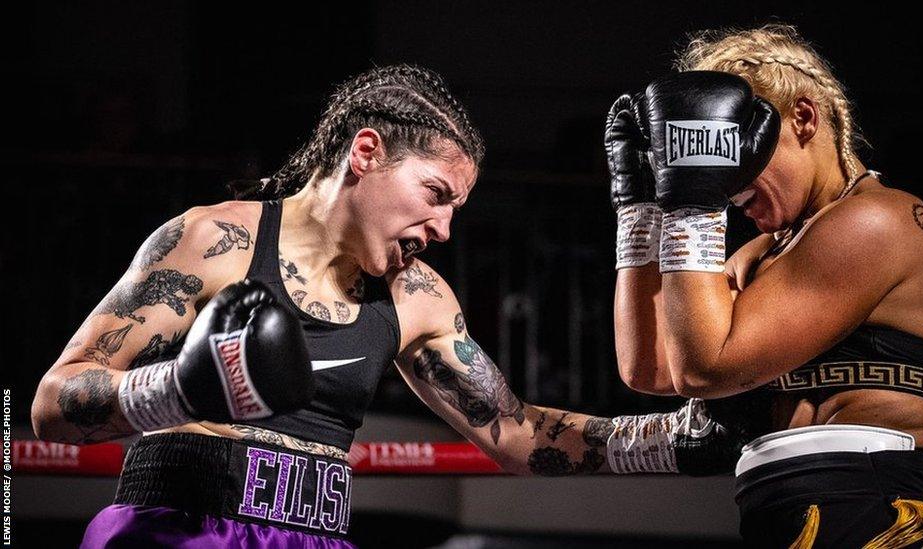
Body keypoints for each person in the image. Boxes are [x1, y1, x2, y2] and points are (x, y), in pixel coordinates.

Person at [32, 64, 730, 548]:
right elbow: (53, 403)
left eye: (457, 209)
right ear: (366, 152)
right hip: (177, 527)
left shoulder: (415, 297)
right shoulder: (215, 240)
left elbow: (517, 434)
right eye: (436, 194)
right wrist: (180, 388)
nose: (445, 230)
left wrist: (670, 436)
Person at [608, 24, 923, 547]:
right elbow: (654, 367)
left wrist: (695, 200)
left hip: (875, 510)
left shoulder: (877, 220)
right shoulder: (763, 250)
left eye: (736, 146)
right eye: (715, 150)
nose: (728, 175)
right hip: (782, 509)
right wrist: (640, 211)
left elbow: (706, 367)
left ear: (803, 118)